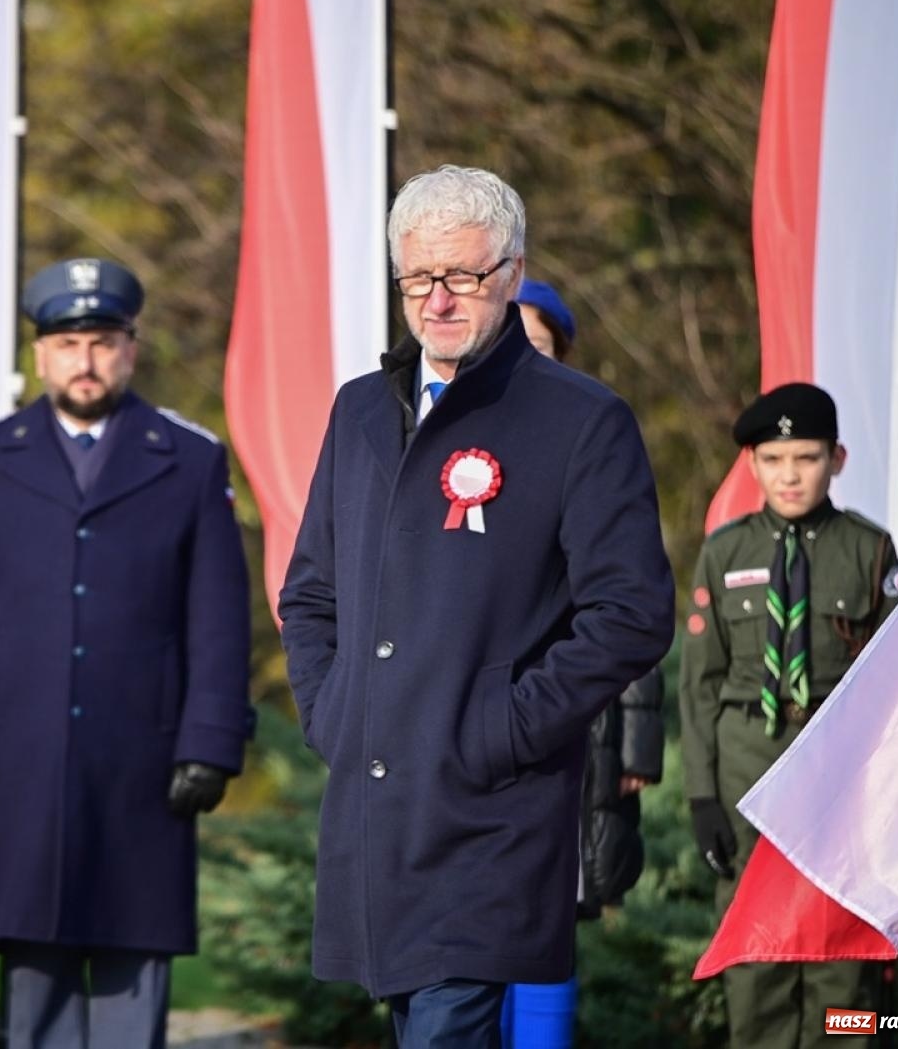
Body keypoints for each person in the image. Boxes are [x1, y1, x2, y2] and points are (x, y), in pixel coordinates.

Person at [277, 165, 674, 1048]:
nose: (439, 301)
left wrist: (503, 722)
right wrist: (331, 707)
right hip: (376, 805)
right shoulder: (360, 412)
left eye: (463, 276)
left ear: (511, 270)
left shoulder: (581, 420)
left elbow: (632, 610)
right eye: (419, 279)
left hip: (489, 810)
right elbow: (310, 589)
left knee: (448, 1029)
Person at [0, 257, 253, 1049]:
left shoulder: (189, 460)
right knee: (37, 957)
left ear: (131, 347)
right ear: (40, 354)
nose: (85, 360)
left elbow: (218, 619)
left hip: (147, 760)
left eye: (102, 341)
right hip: (23, 757)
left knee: (136, 955)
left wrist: (211, 743)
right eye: (67, 344)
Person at [680, 382, 898, 1049]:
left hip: (842, 771)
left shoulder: (870, 550)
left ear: (836, 459)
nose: (789, 475)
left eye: (805, 458)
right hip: (748, 766)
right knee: (757, 946)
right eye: (773, 460)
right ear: (752, 464)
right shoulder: (725, 553)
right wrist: (700, 795)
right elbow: (700, 685)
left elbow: (897, 682)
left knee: (842, 943)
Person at [498, 278, 668, 1048]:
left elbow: (632, 605)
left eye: (538, 339)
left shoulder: (596, 435)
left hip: (572, 723)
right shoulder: (455, 446)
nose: (523, 351)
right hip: (477, 730)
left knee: (553, 904)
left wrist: (635, 745)